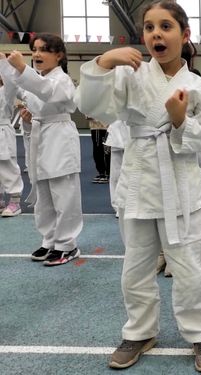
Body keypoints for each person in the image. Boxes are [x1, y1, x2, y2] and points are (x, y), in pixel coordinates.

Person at [74, 1, 201, 371]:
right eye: (150, 27)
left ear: (185, 36)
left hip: (180, 186)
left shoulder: (198, 86)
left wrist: (178, 122)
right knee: (136, 266)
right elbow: (90, 104)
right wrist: (103, 64)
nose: (157, 33)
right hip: (139, 177)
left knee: (189, 266)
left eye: (167, 26)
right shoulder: (130, 74)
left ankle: (200, 333)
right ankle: (140, 331)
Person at [0, 33, 83, 266]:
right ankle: (49, 240)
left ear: (59, 55)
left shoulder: (62, 79)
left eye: (44, 49)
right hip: (41, 134)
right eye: (34, 49)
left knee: (63, 193)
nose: (37, 54)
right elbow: (22, 91)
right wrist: (5, 65)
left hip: (59, 136)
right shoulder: (38, 79)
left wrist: (19, 68)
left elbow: (45, 90)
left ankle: (67, 244)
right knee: (43, 192)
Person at [0, 75, 22, 217]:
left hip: (3, 129)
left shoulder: (5, 90)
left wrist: (3, 62)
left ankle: (15, 201)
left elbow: (12, 83)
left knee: (7, 166)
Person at [88, 117, 110, 183]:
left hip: (102, 127)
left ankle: (106, 174)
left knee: (103, 151)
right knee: (98, 151)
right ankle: (102, 173)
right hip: (96, 127)